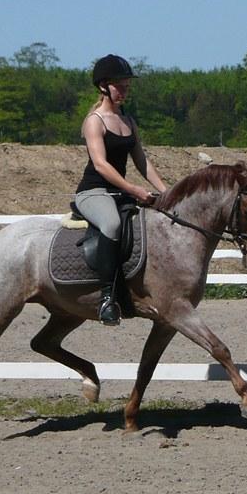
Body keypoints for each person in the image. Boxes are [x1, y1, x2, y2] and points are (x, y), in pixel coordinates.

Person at [75, 54, 167, 325]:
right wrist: (134, 190)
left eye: (127, 86)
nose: (125, 91)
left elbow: (141, 161)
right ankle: (107, 299)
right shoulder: (95, 121)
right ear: (103, 86)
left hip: (120, 192)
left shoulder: (128, 121)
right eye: (120, 86)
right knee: (113, 224)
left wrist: (166, 191)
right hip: (94, 192)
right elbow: (101, 165)